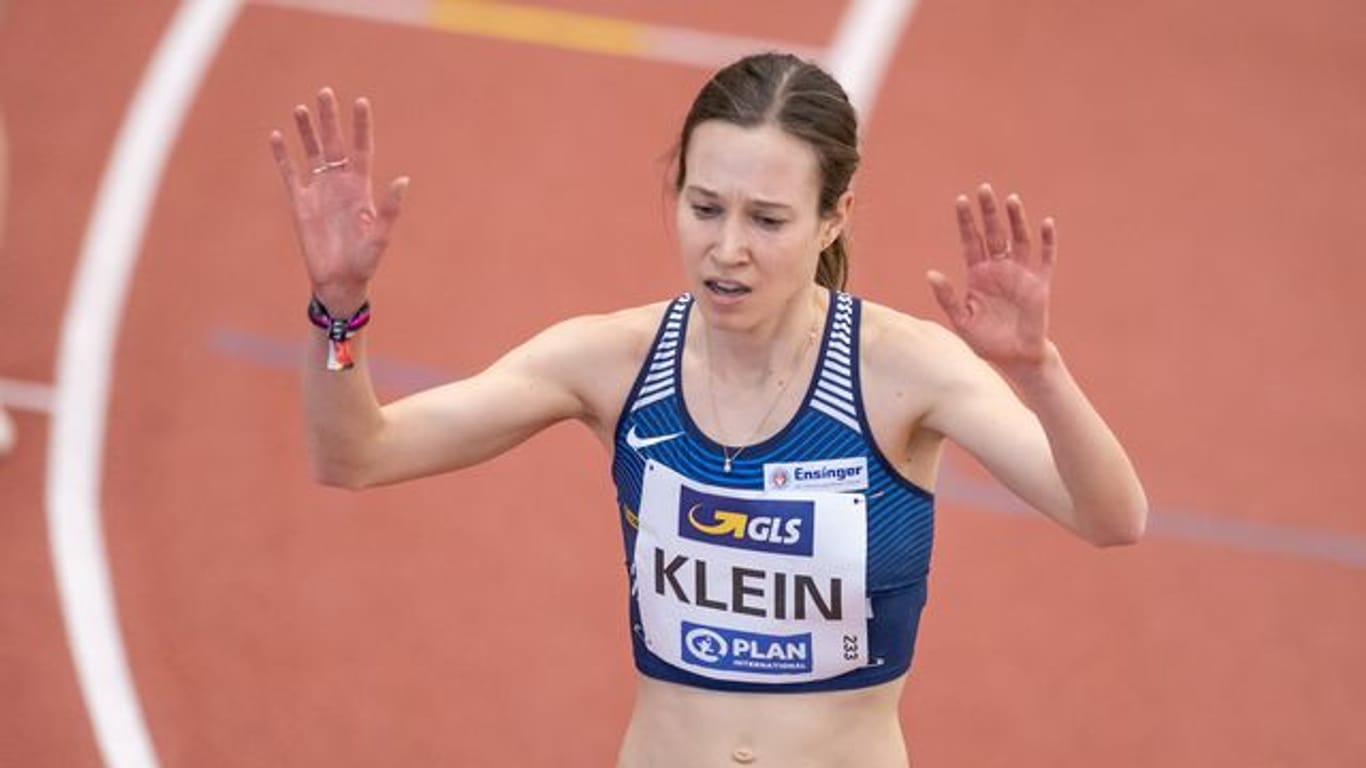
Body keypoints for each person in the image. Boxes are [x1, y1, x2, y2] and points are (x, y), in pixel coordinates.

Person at [270, 52, 1146, 768]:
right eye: (704, 207)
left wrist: (1038, 371)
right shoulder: (611, 362)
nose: (727, 250)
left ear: (834, 218)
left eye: (768, 219)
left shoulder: (900, 371)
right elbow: (355, 454)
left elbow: (1112, 517)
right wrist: (338, 308)